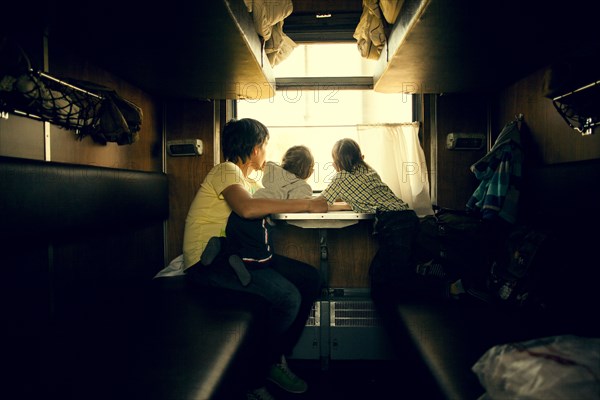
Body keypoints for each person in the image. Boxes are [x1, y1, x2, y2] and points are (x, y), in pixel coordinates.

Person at [182, 119, 326, 399]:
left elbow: (266, 202)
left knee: (311, 279)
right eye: (265, 145)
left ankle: (272, 358)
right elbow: (247, 209)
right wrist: (308, 203)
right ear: (255, 147)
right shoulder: (227, 170)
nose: (266, 152)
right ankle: (255, 376)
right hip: (209, 262)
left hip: (238, 255)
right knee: (288, 298)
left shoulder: (248, 180)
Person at [317, 138, 462, 303]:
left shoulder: (341, 178)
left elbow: (319, 203)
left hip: (394, 225)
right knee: (379, 275)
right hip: (407, 217)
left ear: (337, 162)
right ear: (359, 156)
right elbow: (361, 201)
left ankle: (449, 287)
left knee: (398, 276)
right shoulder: (369, 172)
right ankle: (423, 274)